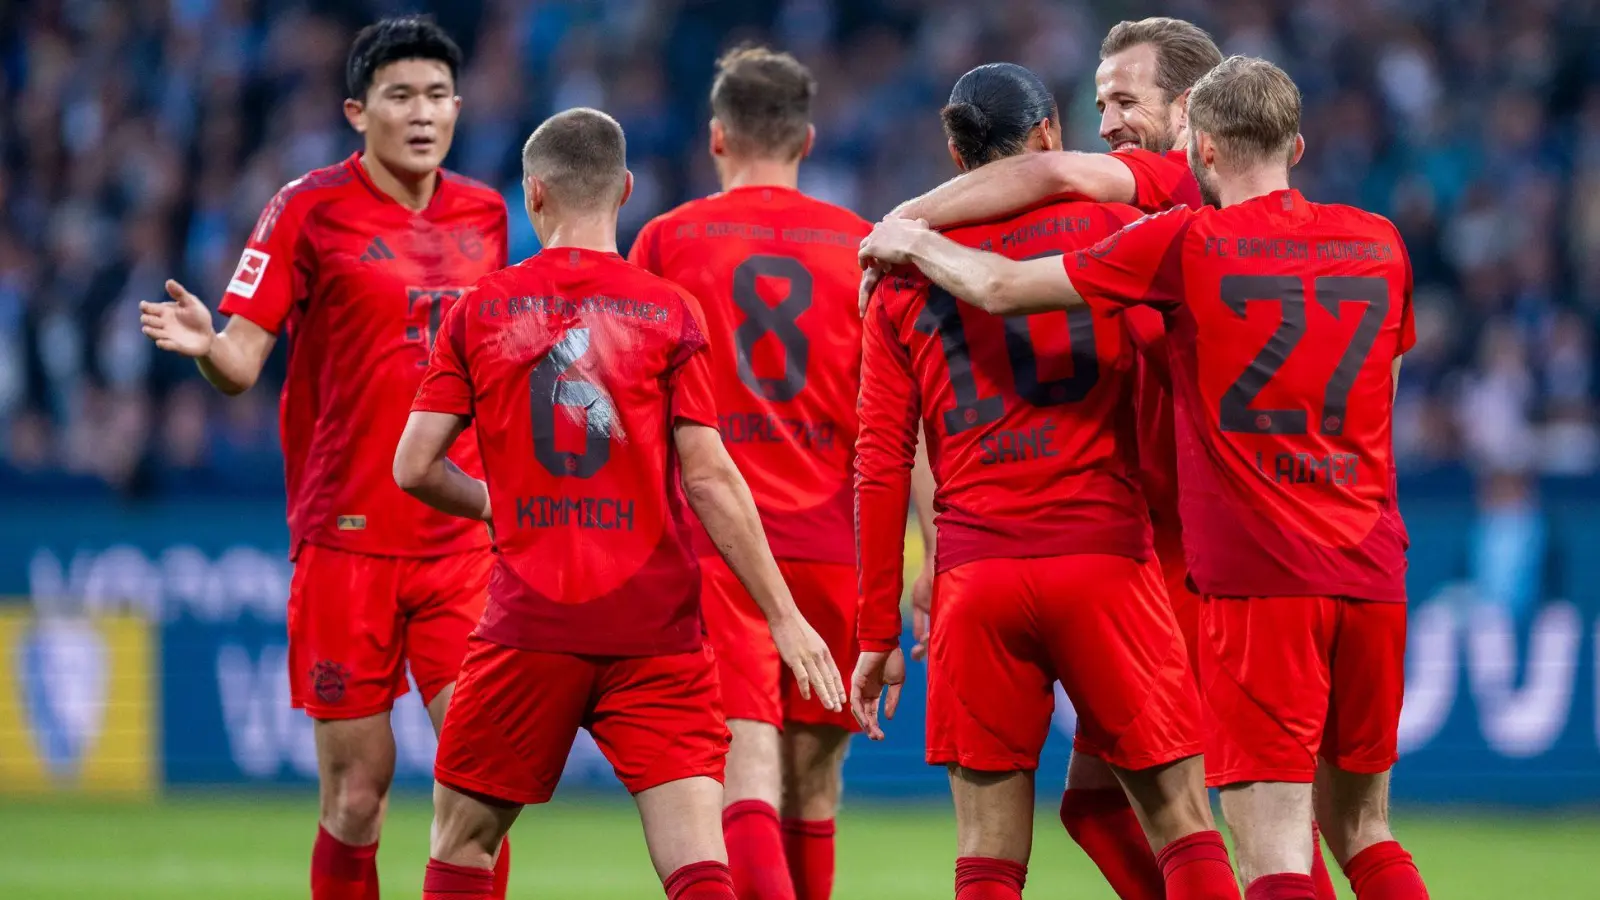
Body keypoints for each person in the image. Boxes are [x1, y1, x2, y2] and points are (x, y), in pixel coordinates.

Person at [859, 56, 1431, 900]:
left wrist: (903, 233)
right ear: (1298, 143)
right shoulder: (1373, 242)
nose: (1112, 121)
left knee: (1002, 853)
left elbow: (891, 441)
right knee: (1310, 828)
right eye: (1100, 105)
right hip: (1260, 563)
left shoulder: (1169, 241)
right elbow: (1371, 390)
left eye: (1125, 101)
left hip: (1057, 574)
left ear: (1197, 145)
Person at [394, 108, 845, 900]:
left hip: (530, 621)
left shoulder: (482, 310)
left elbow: (414, 466)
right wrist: (783, 616)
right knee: (698, 862)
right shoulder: (669, 312)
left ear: (533, 195)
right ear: (627, 190)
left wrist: (500, 506)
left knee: (463, 843)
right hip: (655, 629)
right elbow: (708, 478)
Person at [138, 17, 513, 899]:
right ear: (357, 111)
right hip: (347, 538)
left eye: (436, 96)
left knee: (484, 783)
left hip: (460, 535)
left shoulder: (488, 215)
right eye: (400, 96)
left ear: (457, 106)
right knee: (358, 794)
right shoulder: (308, 207)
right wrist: (205, 343)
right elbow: (239, 364)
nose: (422, 114)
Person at [852, 62, 1242, 900]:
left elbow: (881, 459)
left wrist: (875, 629)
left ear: (957, 157)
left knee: (987, 854)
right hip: (1104, 562)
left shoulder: (899, 277)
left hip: (974, 578)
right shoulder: (1122, 230)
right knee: (1179, 818)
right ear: (1049, 137)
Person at [630, 45, 927, 900]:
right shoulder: (866, 247)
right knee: (816, 783)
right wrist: (932, 551)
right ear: (808, 138)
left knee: (744, 759)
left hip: (719, 543)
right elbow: (909, 420)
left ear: (716, 137)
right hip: (842, 542)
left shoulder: (667, 239)